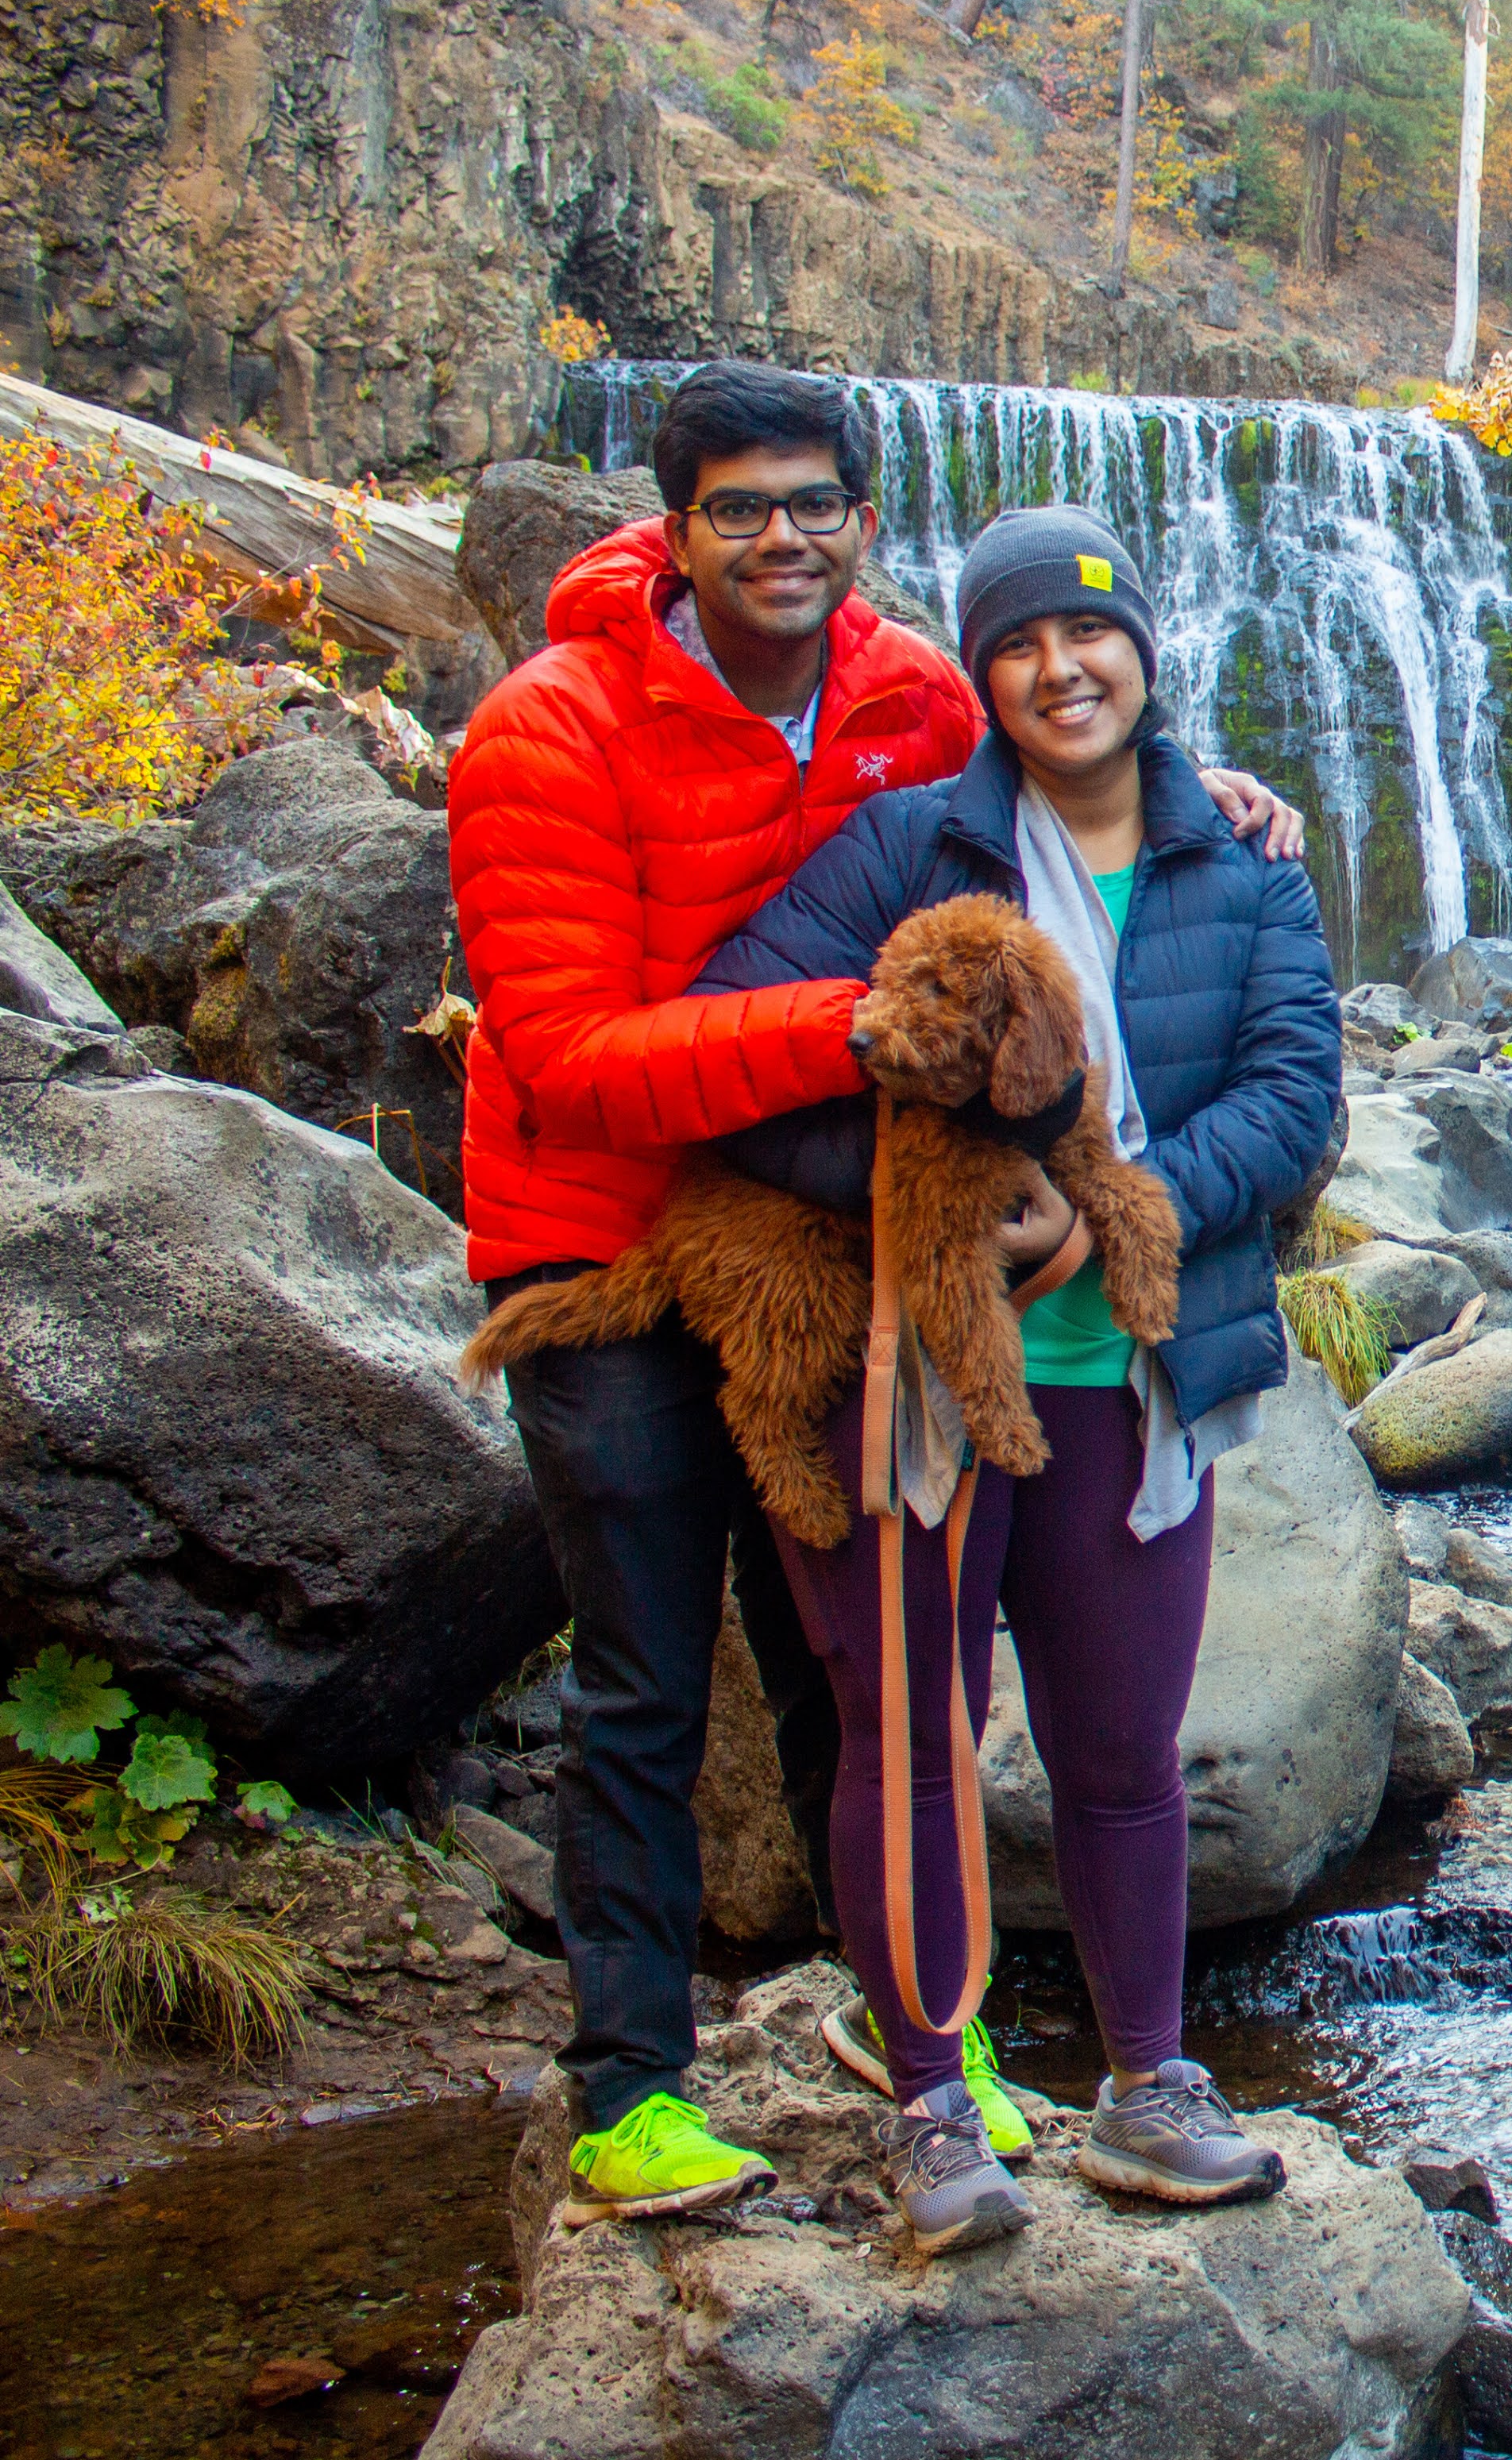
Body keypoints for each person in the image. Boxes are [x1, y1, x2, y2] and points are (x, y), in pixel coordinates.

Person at [449, 365, 1305, 2227]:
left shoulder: (910, 688)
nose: (781, 536)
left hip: (860, 1251)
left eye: (815, 504)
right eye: (740, 507)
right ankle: (630, 2087)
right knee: (647, 1679)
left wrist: (1205, 786)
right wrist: (854, 1029)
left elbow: (1081, 773)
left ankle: (934, 2041)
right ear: (672, 528)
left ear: (861, 523)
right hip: (610, 1231)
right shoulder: (551, 724)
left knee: (858, 1690)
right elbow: (576, 1058)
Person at [693, 506, 1344, 2254]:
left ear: (1142, 652)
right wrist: (947, 1209)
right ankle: (928, 2104)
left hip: (1133, 1376)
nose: (1064, 668)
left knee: (1123, 1752)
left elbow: (1294, 1102)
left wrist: (1108, 1219)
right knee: (911, 1746)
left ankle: (1148, 2085)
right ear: (984, 673)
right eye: (1022, 642)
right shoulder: (912, 848)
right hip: (920, 1374)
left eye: (1092, 633)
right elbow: (746, 1046)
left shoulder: (1248, 859)